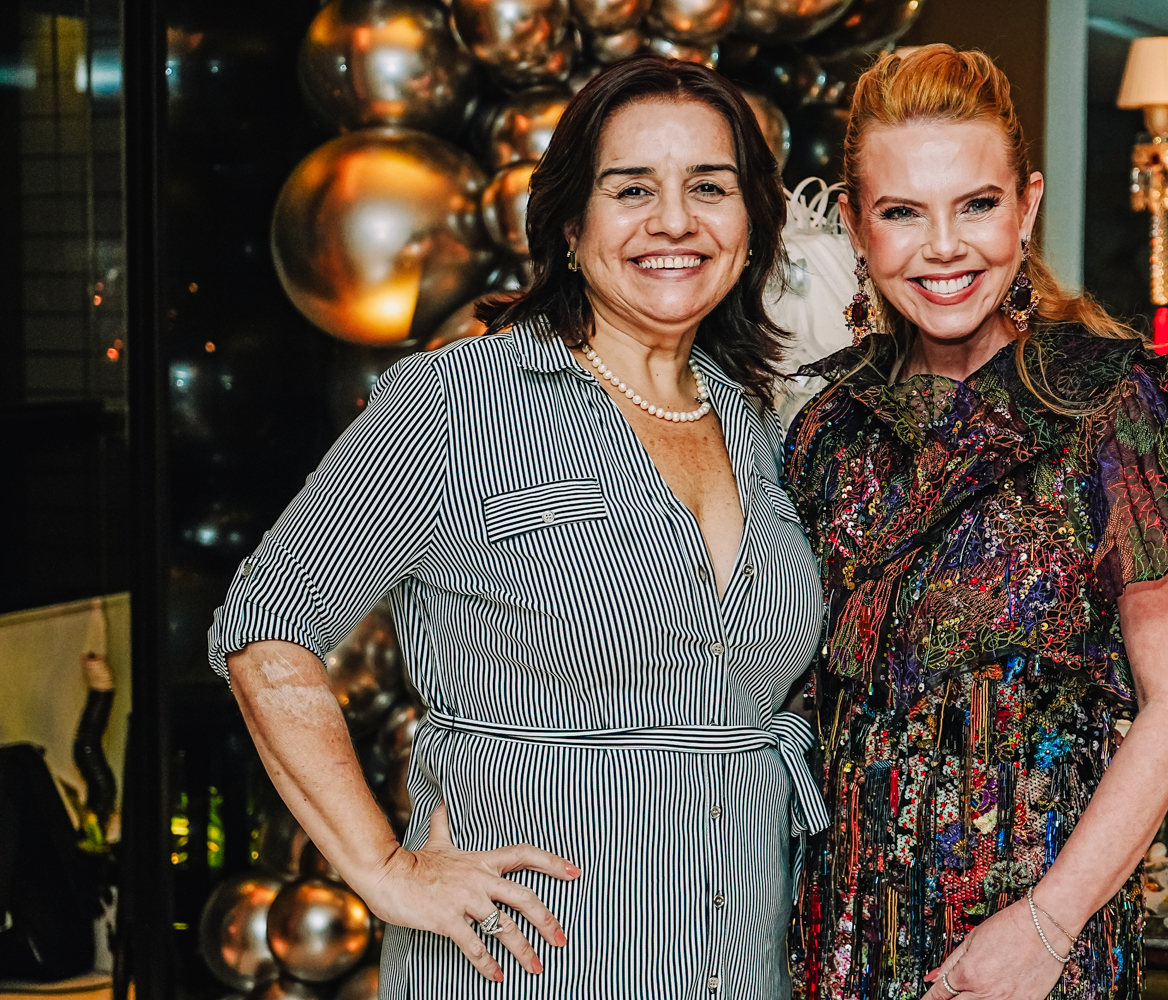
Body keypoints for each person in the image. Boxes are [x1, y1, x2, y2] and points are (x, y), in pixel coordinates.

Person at [209, 55, 828, 998]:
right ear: (571, 225)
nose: (675, 221)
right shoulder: (458, 399)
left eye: (710, 187)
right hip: (530, 959)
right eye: (632, 189)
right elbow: (266, 632)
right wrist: (383, 869)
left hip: (740, 955)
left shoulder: (756, 423)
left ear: (751, 228)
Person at [783, 46, 1168, 1000]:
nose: (944, 247)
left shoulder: (1118, 410)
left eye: (976, 204)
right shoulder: (825, 429)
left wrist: (1046, 926)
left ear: (1027, 206)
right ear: (854, 225)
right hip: (841, 927)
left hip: (1037, 930)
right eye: (902, 212)